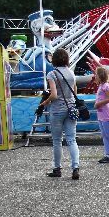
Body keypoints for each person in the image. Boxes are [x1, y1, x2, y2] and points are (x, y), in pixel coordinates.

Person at [39, 48, 80, 179]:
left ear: (55, 59)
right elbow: (75, 92)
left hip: (57, 110)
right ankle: (75, 168)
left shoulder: (52, 74)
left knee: (57, 140)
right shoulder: (71, 73)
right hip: (71, 108)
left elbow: (54, 95)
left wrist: (45, 102)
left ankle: (57, 168)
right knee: (72, 139)